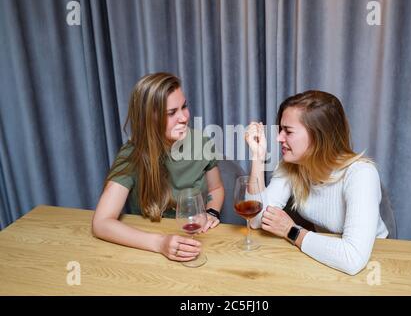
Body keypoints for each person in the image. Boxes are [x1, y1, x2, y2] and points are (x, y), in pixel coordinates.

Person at [245, 90, 388, 275]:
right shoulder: (293, 165)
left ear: (318, 136)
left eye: (288, 131)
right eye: (281, 130)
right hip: (326, 256)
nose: (279, 138)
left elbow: (353, 258)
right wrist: (257, 157)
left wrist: (291, 231)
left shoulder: (361, 174)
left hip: (375, 263)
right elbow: (256, 220)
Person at [92, 72, 224, 262]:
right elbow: (101, 223)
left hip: (197, 238)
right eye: (172, 113)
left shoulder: (202, 142)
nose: (184, 117)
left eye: (184, 106)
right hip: (147, 246)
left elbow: (216, 188)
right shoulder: (132, 154)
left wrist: (212, 212)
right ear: (149, 119)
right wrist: (159, 243)